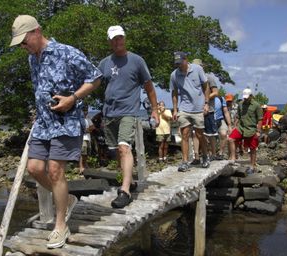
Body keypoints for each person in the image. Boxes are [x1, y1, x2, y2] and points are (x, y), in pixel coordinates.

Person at [10, 15, 102, 248]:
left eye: (24, 41)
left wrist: (73, 98)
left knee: (54, 170)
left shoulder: (66, 52)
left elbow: (96, 78)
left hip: (66, 120)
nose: (23, 46)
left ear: (37, 31)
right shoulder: (33, 59)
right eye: (20, 43)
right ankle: (67, 198)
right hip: (43, 123)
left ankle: (60, 226)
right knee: (34, 168)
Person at [98, 25, 159, 208]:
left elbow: (149, 87)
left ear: (124, 38)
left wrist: (154, 109)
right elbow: (92, 84)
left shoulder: (137, 61)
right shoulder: (104, 63)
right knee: (116, 150)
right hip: (109, 113)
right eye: (114, 38)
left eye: (120, 37)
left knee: (124, 148)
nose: (118, 41)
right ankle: (130, 181)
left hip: (129, 111)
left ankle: (124, 191)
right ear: (109, 41)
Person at [170, 52, 210, 171]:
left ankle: (205, 156)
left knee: (199, 135)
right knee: (185, 134)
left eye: (180, 62)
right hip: (184, 108)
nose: (179, 65)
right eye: (177, 63)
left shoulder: (197, 69)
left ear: (186, 60)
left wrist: (206, 103)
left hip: (198, 108)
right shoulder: (174, 75)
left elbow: (206, 86)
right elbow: (174, 92)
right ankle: (185, 161)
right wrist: (175, 110)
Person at [191, 58, 218, 163]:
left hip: (209, 110)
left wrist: (204, 99)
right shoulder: (191, 79)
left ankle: (213, 154)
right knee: (195, 134)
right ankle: (197, 156)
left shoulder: (209, 77)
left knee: (210, 134)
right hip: (195, 110)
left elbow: (215, 92)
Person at [228, 88, 263, 173]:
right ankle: (233, 158)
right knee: (230, 139)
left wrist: (258, 131)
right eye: (244, 97)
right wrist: (234, 126)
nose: (245, 99)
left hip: (251, 129)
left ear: (251, 96)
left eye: (247, 97)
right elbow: (238, 117)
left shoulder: (256, 105)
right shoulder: (240, 104)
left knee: (252, 148)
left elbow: (260, 119)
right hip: (241, 127)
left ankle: (252, 165)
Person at [214, 96, 232, 160]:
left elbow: (225, 111)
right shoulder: (204, 97)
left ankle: (220, 153)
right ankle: (211, 153)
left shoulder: (221, 98)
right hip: (209, 119)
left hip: (220, 119)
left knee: (224, 134)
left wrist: (229, 125)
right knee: (210, 138)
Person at [79, 105, 95, 175]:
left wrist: (87, 130)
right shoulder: (79, 119)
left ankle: (85, 165)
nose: (86, 112)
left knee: (87, 153)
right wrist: (87, 130)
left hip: (88, 138)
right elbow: (80, 129)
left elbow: (93, 127)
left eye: (86, 110)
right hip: (82, 138)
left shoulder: (88, 119)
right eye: (84, 110)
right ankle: (81, 167)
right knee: (82, 153)